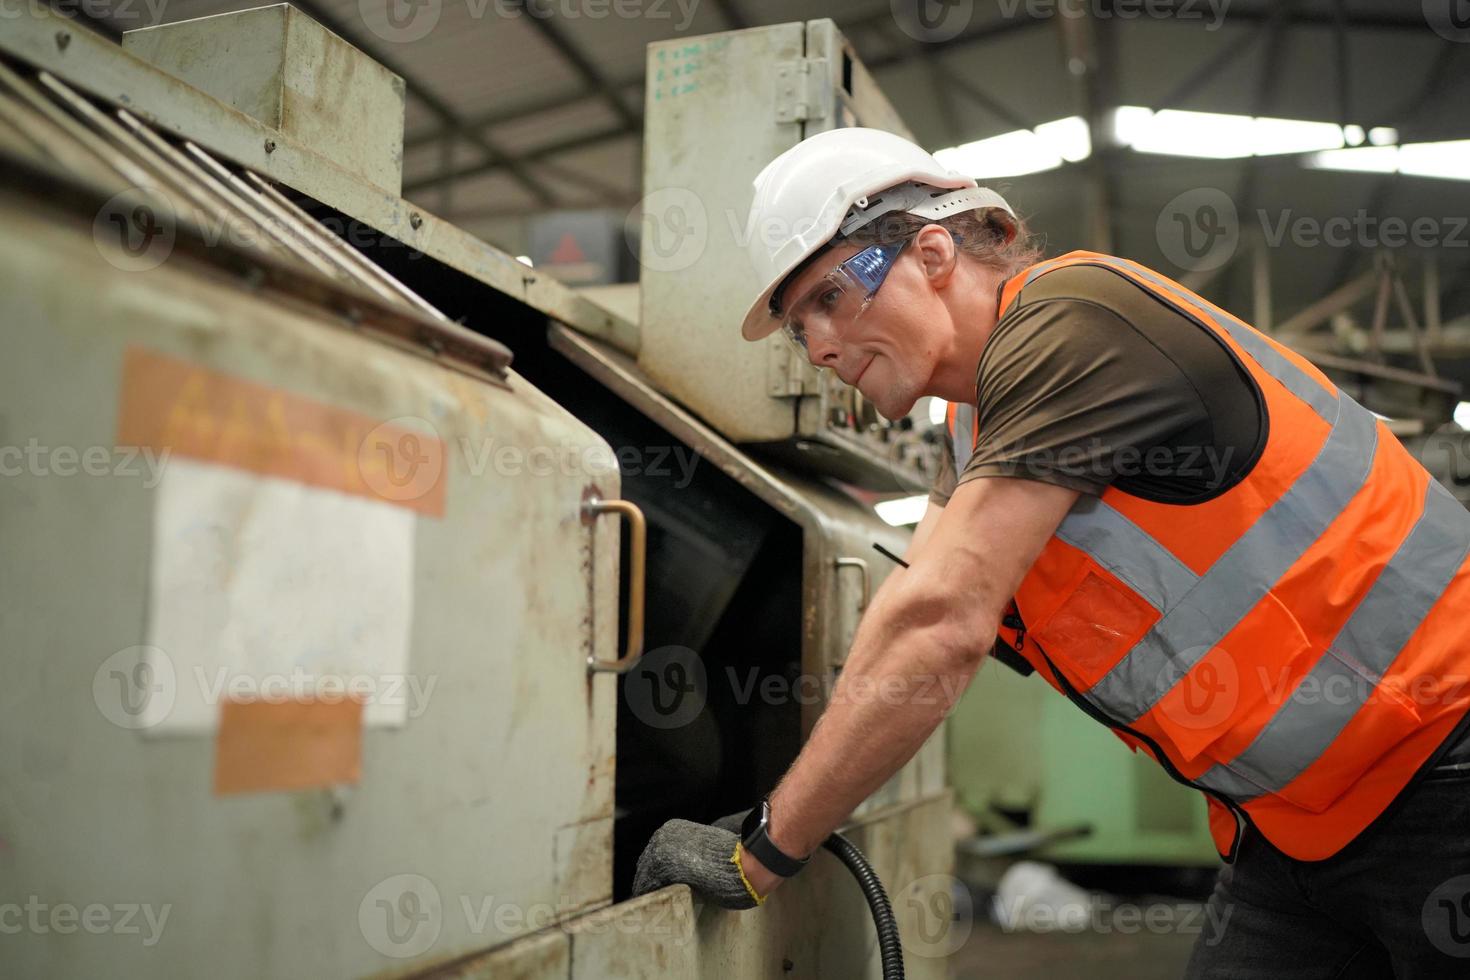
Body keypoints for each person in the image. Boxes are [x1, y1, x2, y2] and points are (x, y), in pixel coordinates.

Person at [632, 128, 1470, 977]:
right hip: (1299, 828)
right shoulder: (972, 433)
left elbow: (938, 624)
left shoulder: (1072, 323)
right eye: (795, 326)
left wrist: (767, 848)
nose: (816, 347)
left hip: (1445, 767)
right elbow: (911, 618)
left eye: (830, 298)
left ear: (930, 252)